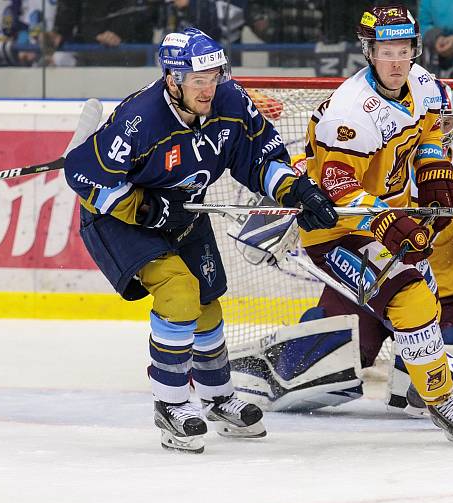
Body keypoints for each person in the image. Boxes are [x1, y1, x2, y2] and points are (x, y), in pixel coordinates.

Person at [229, 79, 453, 419]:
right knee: (323, 362)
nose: (437, 131)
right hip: (365, 283)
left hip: (442, 299)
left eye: (445, 123)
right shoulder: (372, 149)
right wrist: (275, 212)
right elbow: (308, 177)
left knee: (420, 387)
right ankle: (255, 368)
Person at [63, 27, 338, 453]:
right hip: (120, 220)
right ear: (173, 79)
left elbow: (262, 157)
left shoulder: (229, 100)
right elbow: (82, 175)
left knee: (208, 301)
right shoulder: (142, 118)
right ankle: (171, 405)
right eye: (198, 80)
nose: (209, 88)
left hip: (184, 211)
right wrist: (147, 209)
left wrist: (296, 190)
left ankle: (217, 397)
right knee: (179, 291)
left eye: (214, 77)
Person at [300, 5, 453, 446]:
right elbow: (338, 185)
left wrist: (435, 171)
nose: (398, 61)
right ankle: (442, 401)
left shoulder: (425, 86)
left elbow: (431, 137)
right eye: (387, 51)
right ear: (369, 52)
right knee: (410, 298)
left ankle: (438, 397)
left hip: (387, 219)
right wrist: (385, 220)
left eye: (404, 50)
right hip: (337, 229)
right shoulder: (350, 112)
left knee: (423, 303)